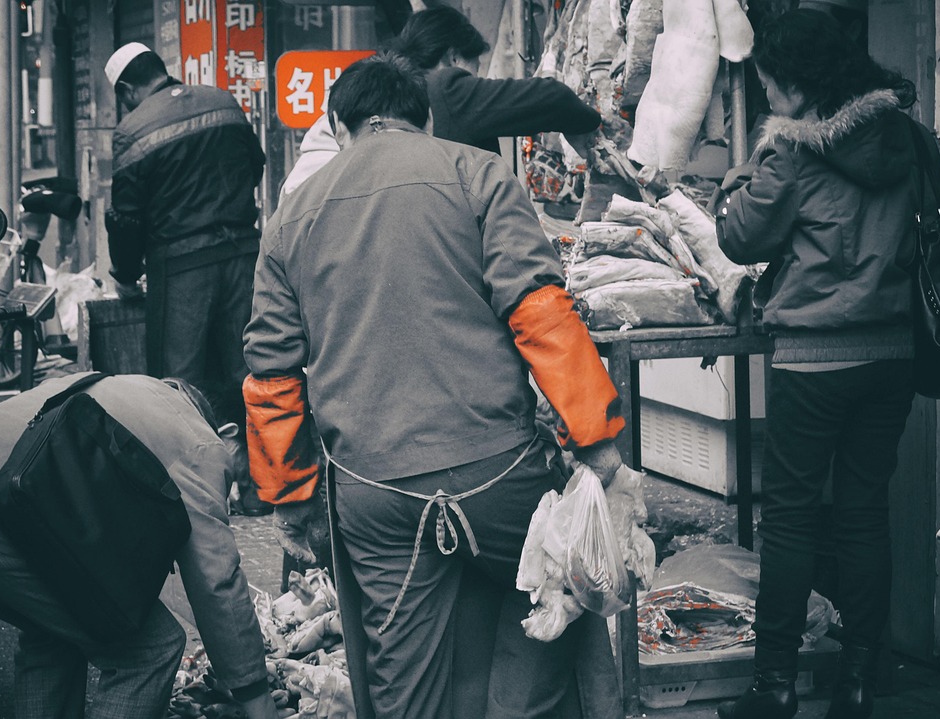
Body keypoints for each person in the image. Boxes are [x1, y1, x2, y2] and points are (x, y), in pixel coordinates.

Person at [244, 55, 625, 719]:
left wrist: (289, 496)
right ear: (423, 121)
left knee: (403, 682)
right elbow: (539, 309)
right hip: (496, 475)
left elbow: (272, 371)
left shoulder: (290, 216)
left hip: (374, 491)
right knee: (563, 595)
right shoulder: (477, 173)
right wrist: (595, 439)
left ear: (340, 126)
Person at [713, 10, 918, 719]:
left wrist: (741, 173)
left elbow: (740, 237)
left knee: (792, 519)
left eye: (771, 86)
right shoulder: (904, 136)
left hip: (813, 359)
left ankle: (774, 686)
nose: (768, 99)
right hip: (892, 354)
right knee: (863, 513)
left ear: (799, 85)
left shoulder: (792, 153)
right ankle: (859, 681)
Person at [0, 374, 279, 719]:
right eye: (243, 474)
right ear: (228, 433)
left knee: (55, 635)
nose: (237, 491)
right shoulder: (198, 440)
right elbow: (216, 580)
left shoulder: (119, 386)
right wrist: (255, 694)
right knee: (151, 648)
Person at [103, 42, 269, 514]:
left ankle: (199, 496)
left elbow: (127, 218)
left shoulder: (133, 129)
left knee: (180, 384)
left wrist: (125, 274)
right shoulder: (223, 102)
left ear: (127, 90)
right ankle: (259, 491)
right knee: (248, 372)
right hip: (241, 256)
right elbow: (255, 164)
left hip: (181, 268)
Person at [280, 5, 601, 196]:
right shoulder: (442, 89)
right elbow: (553, 99)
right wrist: (592, 128)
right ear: (453, 58)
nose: (477, 81)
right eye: (475, 69)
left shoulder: (365, 90)